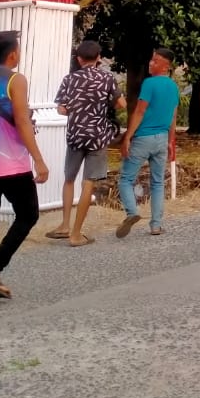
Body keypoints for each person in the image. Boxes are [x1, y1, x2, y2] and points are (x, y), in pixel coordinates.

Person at [0, 30, 48, 302]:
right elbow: (22, 121)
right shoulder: (16, 79)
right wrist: (38, 159)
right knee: (28, 215)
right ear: (13, 54)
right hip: (11, 163)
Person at [48, 39, 124, 247]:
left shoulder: (69, 79)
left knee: (69, 179)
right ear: (98, 58)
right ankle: (76, 234)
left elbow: (61, 109)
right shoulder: (107, 78)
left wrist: (76, 110)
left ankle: (64, 225)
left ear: (79, 59)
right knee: (88, 183)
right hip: (97, 136)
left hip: (75, 135)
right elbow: (121, 104)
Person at [116, 48, 180, 238]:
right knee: (158, 182)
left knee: (126, 179)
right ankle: (156, 225)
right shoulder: (173, 86)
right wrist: (171, 141)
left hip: (143, 138)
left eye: (156, 61)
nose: (151, 63)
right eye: (152, 60)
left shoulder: (149, 83)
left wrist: (128, 137)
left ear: (166, 66)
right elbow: (173, 116)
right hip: (162, 139)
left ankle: (132, 212)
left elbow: (140, 111)